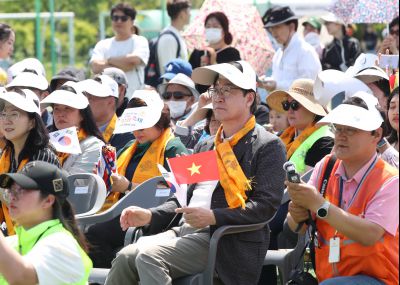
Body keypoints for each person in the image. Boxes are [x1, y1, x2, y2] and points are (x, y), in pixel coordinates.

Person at [104, 60, 286, 285]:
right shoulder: (206, 144)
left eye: (227, 90)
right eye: (216, 89)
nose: (218, 97)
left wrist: (213, 217)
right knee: (124, 257)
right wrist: (151, 214)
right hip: (184, 230)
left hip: (224, 240)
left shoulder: (268, 145)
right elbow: (180, 198)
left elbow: (265, 207)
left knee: (149, 258)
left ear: (249, 98)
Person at [287, 94, 399, 285]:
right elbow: (295, 226)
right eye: (337, 128)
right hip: (328, 278)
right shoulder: (325, 166)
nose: (341, 135)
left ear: (377, 135)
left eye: (351, 129)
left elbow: (370, 234)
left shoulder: (390, 180)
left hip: (378, 279)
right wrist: (297, 214)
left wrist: (319, 205)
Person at [86, 90, 188, 268]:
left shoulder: (173, 147)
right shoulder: (129, 147)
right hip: (119, 212)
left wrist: (128, 186)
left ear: (159, 121)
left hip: (155, 217)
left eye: (143, 126)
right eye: (134, 126)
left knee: (94, 234)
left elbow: (181, 193)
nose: (137, 132)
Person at [0, 161, 92, 285]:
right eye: (10, 191)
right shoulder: (13, 243)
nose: (12, 197)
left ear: (48, 201)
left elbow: (21, 278)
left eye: (20, 190)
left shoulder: (62, 244)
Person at [0, 88, 60, 236]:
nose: (6, 120)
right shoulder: (7, 154)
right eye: (3, 114)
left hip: (40, 234)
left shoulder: (44, 157)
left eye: (14, 114)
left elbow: (30, 206)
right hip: (13, 232)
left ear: (32, 123)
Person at [267, 78, 334, 174]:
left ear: (313, 110)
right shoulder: (284, 135)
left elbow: (310, 184)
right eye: (286, 104)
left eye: (295, 105)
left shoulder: (325, 141)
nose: (289, 110)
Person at [41, 81, 105, 175]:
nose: (61, 114)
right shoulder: (46, 142)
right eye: (56, 108)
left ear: (82, 114)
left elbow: (76, 183)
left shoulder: (93, 145)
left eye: (68, 108)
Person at [90, 2, 150, 99]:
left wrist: (108, 60)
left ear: (132, 21)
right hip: (107, 101)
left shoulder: (140, 41)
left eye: (123, 18)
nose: (119, 21)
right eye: (115, 18)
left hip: (134, 100)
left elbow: (133, 61)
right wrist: (123, 65)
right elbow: (95, 67)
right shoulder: (103, 44)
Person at [261, 6, 321, 92]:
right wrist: (267, 81)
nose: (273, 32)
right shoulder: (279, 53)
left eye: (277, 27)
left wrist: (277, 85)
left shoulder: (305, 51)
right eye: (271, 28)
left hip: (302, 105)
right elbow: (277, 78)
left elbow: (308, 86)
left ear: (291, 27)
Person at [79, 75, 133, 151]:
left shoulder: (126, 135)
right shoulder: (76, 129)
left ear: (110, 102)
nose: (86, 102)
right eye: (85, 96)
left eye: (91, 98)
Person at [157, 0, 191, 76]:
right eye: (188, 11)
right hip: (172, 87)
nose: (190, 14)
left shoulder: (177, 35)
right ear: (182, 14)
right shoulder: (168, 38)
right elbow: (167, 72)